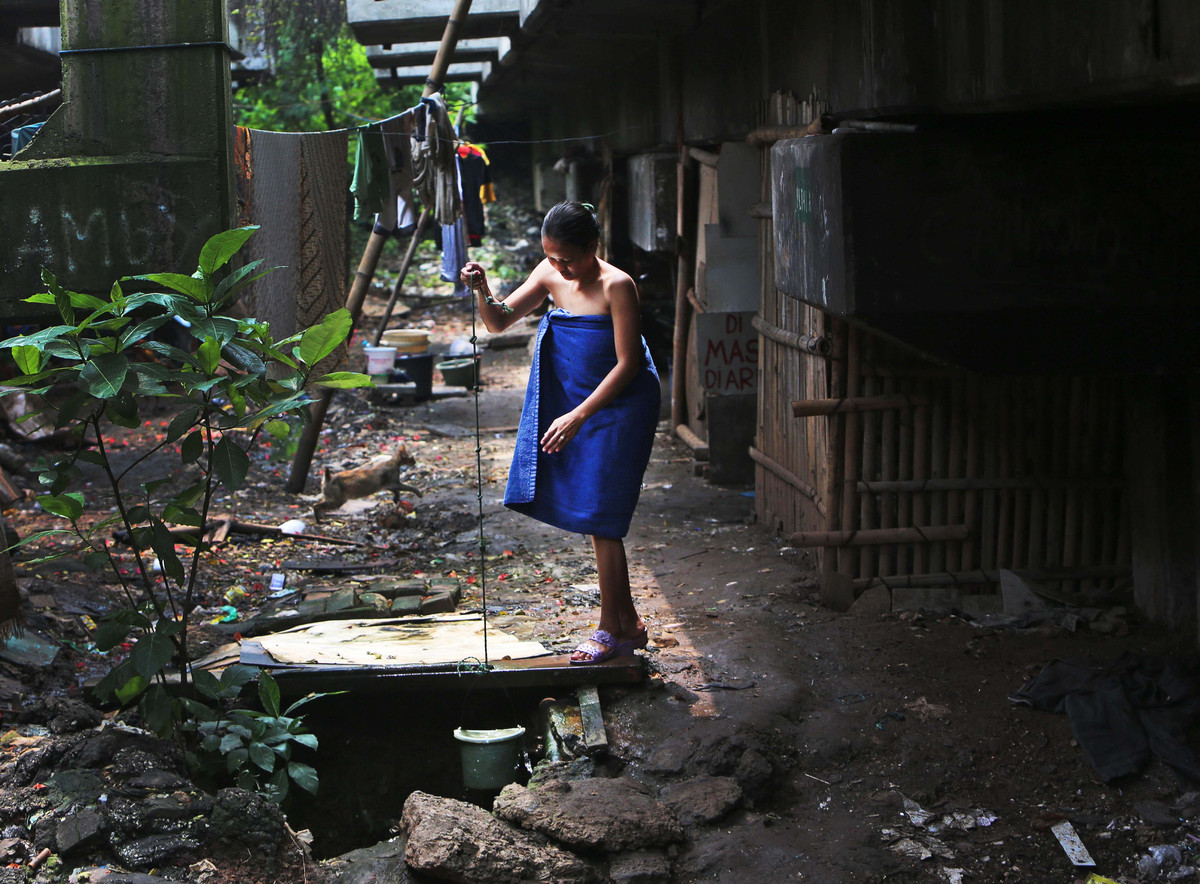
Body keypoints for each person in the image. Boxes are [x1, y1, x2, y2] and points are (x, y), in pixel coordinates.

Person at [460, 201, 660, 665]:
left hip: (619, 405)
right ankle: (628, 623)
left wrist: (578, 416)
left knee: (601, 517)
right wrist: (482, 288)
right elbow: (497, 321)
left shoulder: (618, 285)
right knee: (597, 517)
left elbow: (630, 364)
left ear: (593, 247)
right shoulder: (549, 274)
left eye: (567, 258)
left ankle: (611, 629)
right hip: (576, 402)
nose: (558, 267)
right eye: (551, 257)